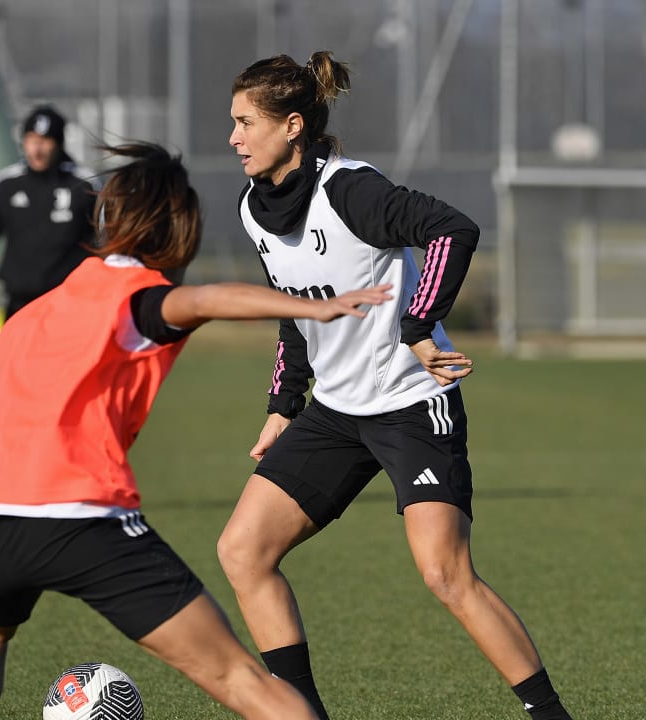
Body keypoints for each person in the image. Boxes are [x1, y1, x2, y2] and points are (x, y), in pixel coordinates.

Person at [0, 142, 393, 720]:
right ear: (178, 230)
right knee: (238, 675)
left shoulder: (32, 314)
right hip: (76, 517)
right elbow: (204, 300)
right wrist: (310, 308)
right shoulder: (137, 301)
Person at [217, 52, 575, 720]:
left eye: (245, 122)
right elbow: (296, 312)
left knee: (445, 574)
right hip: (335, 411)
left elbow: (452, 229)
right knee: (242, 550)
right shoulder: (251, 209)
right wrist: (281, 407)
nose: (233, 137)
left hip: (413, 401)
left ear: (292, 126)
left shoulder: (350, 191)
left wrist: (418, 325)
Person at [0, 104, 95, 319]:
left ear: (58, 144)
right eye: (31, 140)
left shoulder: (85, 184)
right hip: (19, 303)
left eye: (45, 141)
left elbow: (106, 238)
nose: (37, 149)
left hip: (71, 301)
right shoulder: (4, 185)